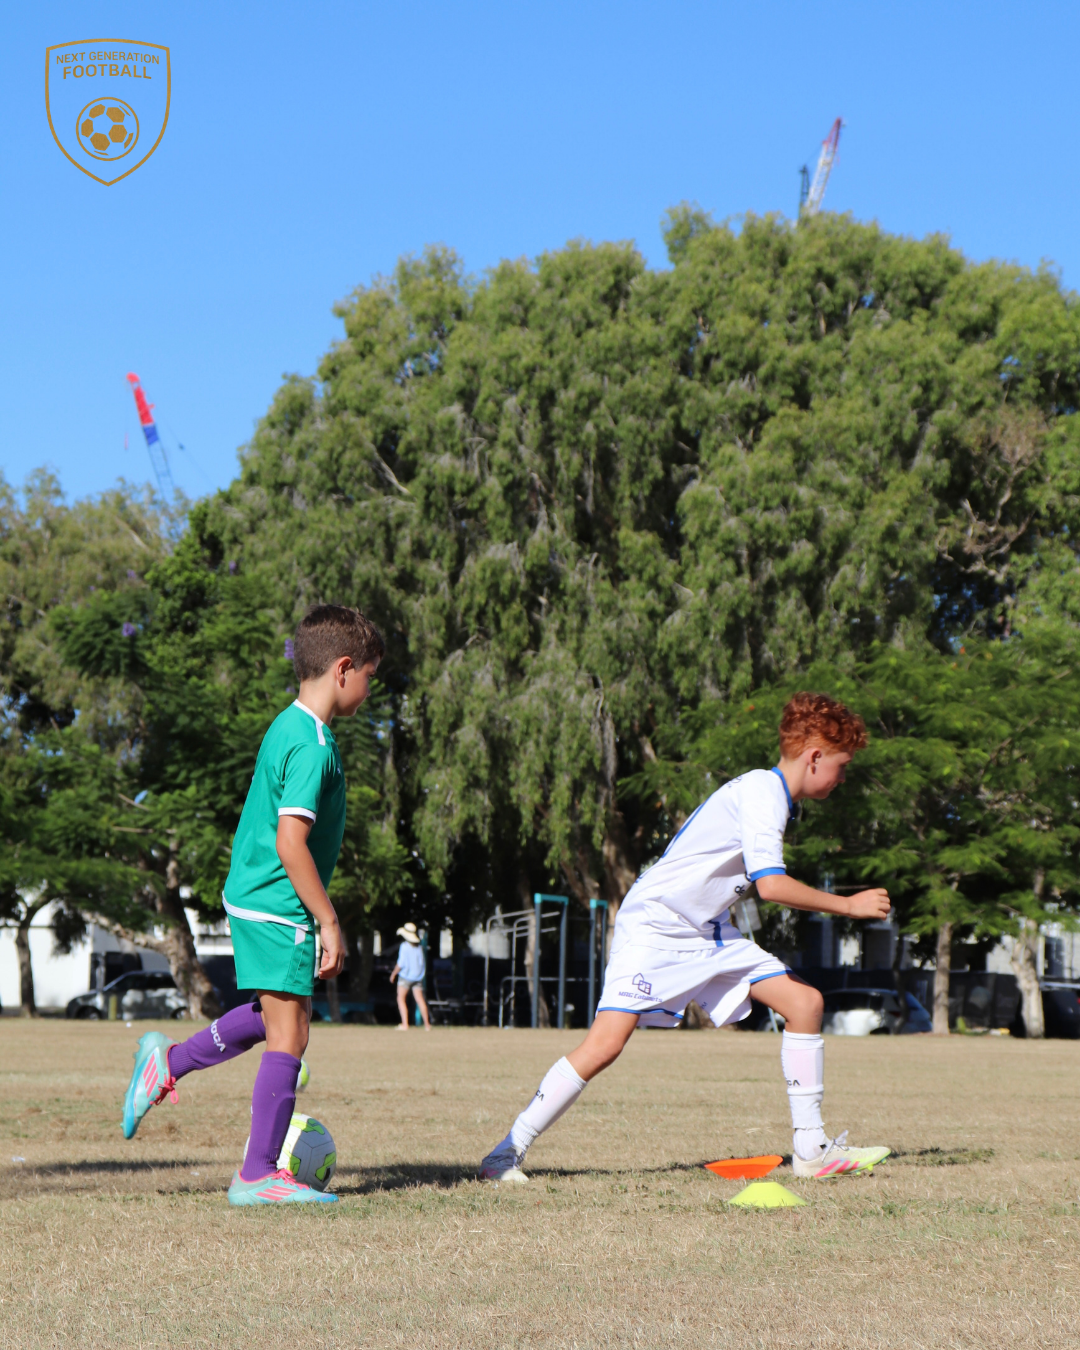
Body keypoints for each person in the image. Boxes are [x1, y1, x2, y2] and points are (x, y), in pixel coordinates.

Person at [478, 692, 893, 1184]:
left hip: (708, 931)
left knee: (804, 1002)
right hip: (658, 923)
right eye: (843, 765)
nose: (843, 778)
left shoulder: (775, 796)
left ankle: (811, 1151)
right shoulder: (764, 793)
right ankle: (505, 1153)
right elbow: (772, 886)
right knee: (605, 1045)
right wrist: (849, 905)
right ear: (816, 756)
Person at [120, 604, 385, 1205]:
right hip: (277, 902)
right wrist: (328, 919)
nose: (371, 689)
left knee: (280, 1022)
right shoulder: (313, 745)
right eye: (370, 675)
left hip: (255, 895)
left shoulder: (287, 724)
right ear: (343, 669)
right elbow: (291, 842)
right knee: (289, 1036)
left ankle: (167, 1063)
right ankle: (257, 1175)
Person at [390, 923, 431, 1030]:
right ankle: (427, 1025)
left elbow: (401, 963)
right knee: (420, 1000)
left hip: (405, 977)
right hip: (418, 978)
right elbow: (422, 963)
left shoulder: (404, 946)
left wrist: (393, 974)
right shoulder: (419, 948)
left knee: (401, 999)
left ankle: (405, 1024)